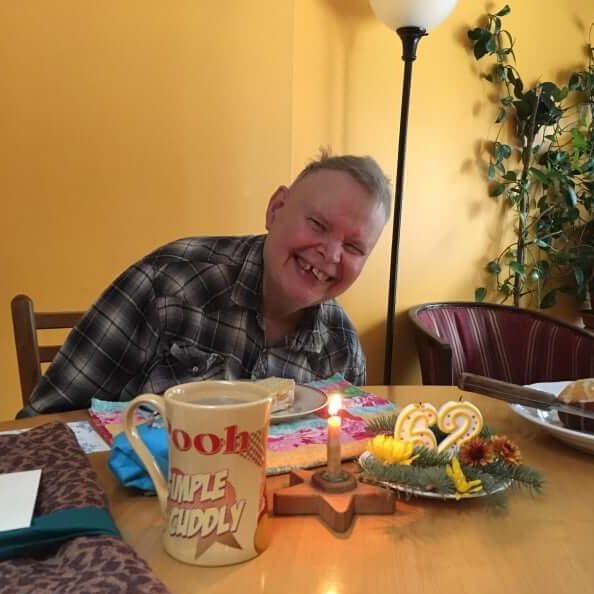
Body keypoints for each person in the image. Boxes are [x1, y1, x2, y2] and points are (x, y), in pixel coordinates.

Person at [18, 152, 391, 417]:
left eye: (354, 247)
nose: (330, 254)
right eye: (318, 225)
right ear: (276, 209)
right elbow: (42, 426)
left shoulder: (342, 348)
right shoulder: (168, 283)